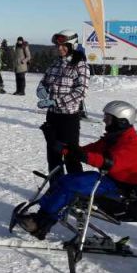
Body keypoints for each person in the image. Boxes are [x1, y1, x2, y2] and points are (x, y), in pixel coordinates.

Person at [16, 101, 137, 239]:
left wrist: (81, 155)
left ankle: (40, 224)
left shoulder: (131, 145)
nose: (104, 120)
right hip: (112, 184)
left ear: (121, 122)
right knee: (65, 180)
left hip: (128, 200)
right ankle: (42, 217)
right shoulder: (115, 137)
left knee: (72, 185)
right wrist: (60, 146)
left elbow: (108, 163)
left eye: (108, 118)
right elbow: (86, 150)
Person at [37, 30, 90, 183]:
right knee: (53, 157)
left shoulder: (80, 65)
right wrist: (41, 88)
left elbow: (80, 92)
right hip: (52, 117)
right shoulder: (55, 63)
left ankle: (76, 193)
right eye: (58, 46)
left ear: (72, 45)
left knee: (71, 157)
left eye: (64, 46)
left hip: (69, 119)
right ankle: (56, 189)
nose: (60, 49)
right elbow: (45, 81)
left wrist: (56, 101)